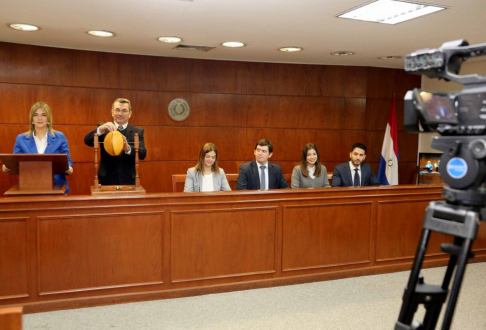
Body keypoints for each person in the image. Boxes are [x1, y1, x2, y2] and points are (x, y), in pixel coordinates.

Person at [2, 102, 74, 193]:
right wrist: (7, 166)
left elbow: (68, 161)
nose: (39, 118)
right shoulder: (21, 139)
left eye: (43, 115)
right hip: (28, 188)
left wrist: (69, 168)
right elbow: (15, 162)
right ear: (32, 119)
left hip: (56, 187)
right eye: (36, 115)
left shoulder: (60, 137)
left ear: (48, 119)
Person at [84, 98, 147, 185]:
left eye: (124, 110)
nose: (120, 114)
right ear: (112, 112)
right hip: (106, 180)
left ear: (130, 114)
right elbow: (87, 141)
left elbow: (143, 154)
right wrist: (100, 129)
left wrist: (127, 148)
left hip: (128, 180)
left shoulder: (137, 131)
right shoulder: (104, 129)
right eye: (117, 110)